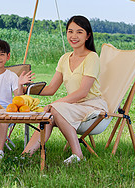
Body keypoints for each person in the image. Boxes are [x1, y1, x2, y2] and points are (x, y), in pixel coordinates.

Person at [22, 15, 108, 164]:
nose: (73, 36)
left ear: (88, 35)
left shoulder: (92, 57)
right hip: (74, 107)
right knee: (49, 115)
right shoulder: (64, 58)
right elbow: (50, 89)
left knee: (54, 109)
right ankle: (26, 155)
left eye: (79, 32)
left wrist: (54, 104)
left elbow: (83, 92)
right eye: (70, 31)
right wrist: (26, 89)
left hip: (92, 106)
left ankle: (77, 154)